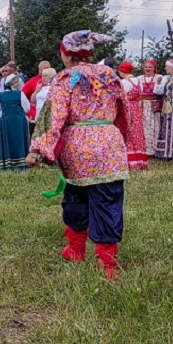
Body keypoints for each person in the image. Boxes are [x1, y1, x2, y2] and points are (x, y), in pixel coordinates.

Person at [28, 31, 128, 280]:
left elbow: (53, 116)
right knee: (107, 201)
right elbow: (124, 111)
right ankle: (108, 265)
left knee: (76, 197)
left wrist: (38, 150)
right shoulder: (109, 75)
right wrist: (122, 139)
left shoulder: (65, 78)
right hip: (109, 145)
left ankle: (75, 249)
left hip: (78, 149)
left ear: (67, 53)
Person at [0, 74, 31, 171]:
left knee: (8, 139)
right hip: (19, 120)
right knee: (19, 140)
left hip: (6, 120)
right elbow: (27, 108)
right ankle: (21, 162)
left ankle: (7, 162)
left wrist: (6, 116)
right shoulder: (20, 94)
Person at [118, 62, 149, 170]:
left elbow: (120, 97)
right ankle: (140, 161)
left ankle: (130, 161)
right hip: (136, 108)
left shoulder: (124, 82)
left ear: (122, 71)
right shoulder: (139, 81)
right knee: (137, 132)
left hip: (127, 109)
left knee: (128, 132)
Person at [140, 60, 165, 156]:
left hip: (155, 105)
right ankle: (146, 150)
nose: (148, 69)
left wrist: (158, 83)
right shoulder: (139, 78)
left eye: (150, 67)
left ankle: (155, 149)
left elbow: (160, 92)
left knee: (156, 126)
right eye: (146, 67)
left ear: (154, 68)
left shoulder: (159, 77)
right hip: (144, 104)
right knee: (145, 127)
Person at [22, 60, 52, 135]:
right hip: (35, 115)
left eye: (49, 68)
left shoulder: (55, 80)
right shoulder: (33, 81)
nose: (47, 70)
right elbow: (23, 95)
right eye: (45, 68)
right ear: (40, 70)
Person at [156, 59, 173, 160]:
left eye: (166, 66)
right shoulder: (169, 79)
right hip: (168, 105)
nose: (165, 68)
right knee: (168, 126)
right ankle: (167, 152)